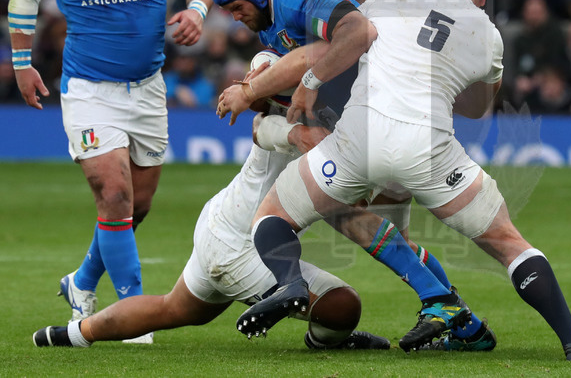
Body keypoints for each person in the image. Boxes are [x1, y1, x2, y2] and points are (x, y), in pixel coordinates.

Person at [229, 0, 571, 361]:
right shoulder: (488, 35)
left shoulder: (387, 0)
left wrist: (292, 86)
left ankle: (292, 282)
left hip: (359, 140)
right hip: (429, 149)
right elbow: (474, 109)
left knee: (276, 215)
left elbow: (345, 50)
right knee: (510, 244)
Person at [212, 0, 496, 352]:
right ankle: (462, 321)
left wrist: (253, 90)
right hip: (365, 120)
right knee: (384, 235)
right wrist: (265, 95)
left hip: (379, 117)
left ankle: (450, 308)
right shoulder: (272, 18)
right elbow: (305, 66)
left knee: (344, 214)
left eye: (237, 8)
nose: (235, 17)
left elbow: (357, 31)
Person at [8, 0, 213, 340]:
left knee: (136, 207)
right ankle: (132, 313)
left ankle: (80, 283)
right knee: (115, 196)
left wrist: (198, 11)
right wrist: (22, 63)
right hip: (89, 90)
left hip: (148, 89)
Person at [32, 113, 390, 351]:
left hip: (221, 222)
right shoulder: (296, 100)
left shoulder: (325, 114)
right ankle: (325, 339)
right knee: (344, 306)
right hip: (240, 248)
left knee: (175, 309)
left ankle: (73, 334)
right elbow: (264, 100)